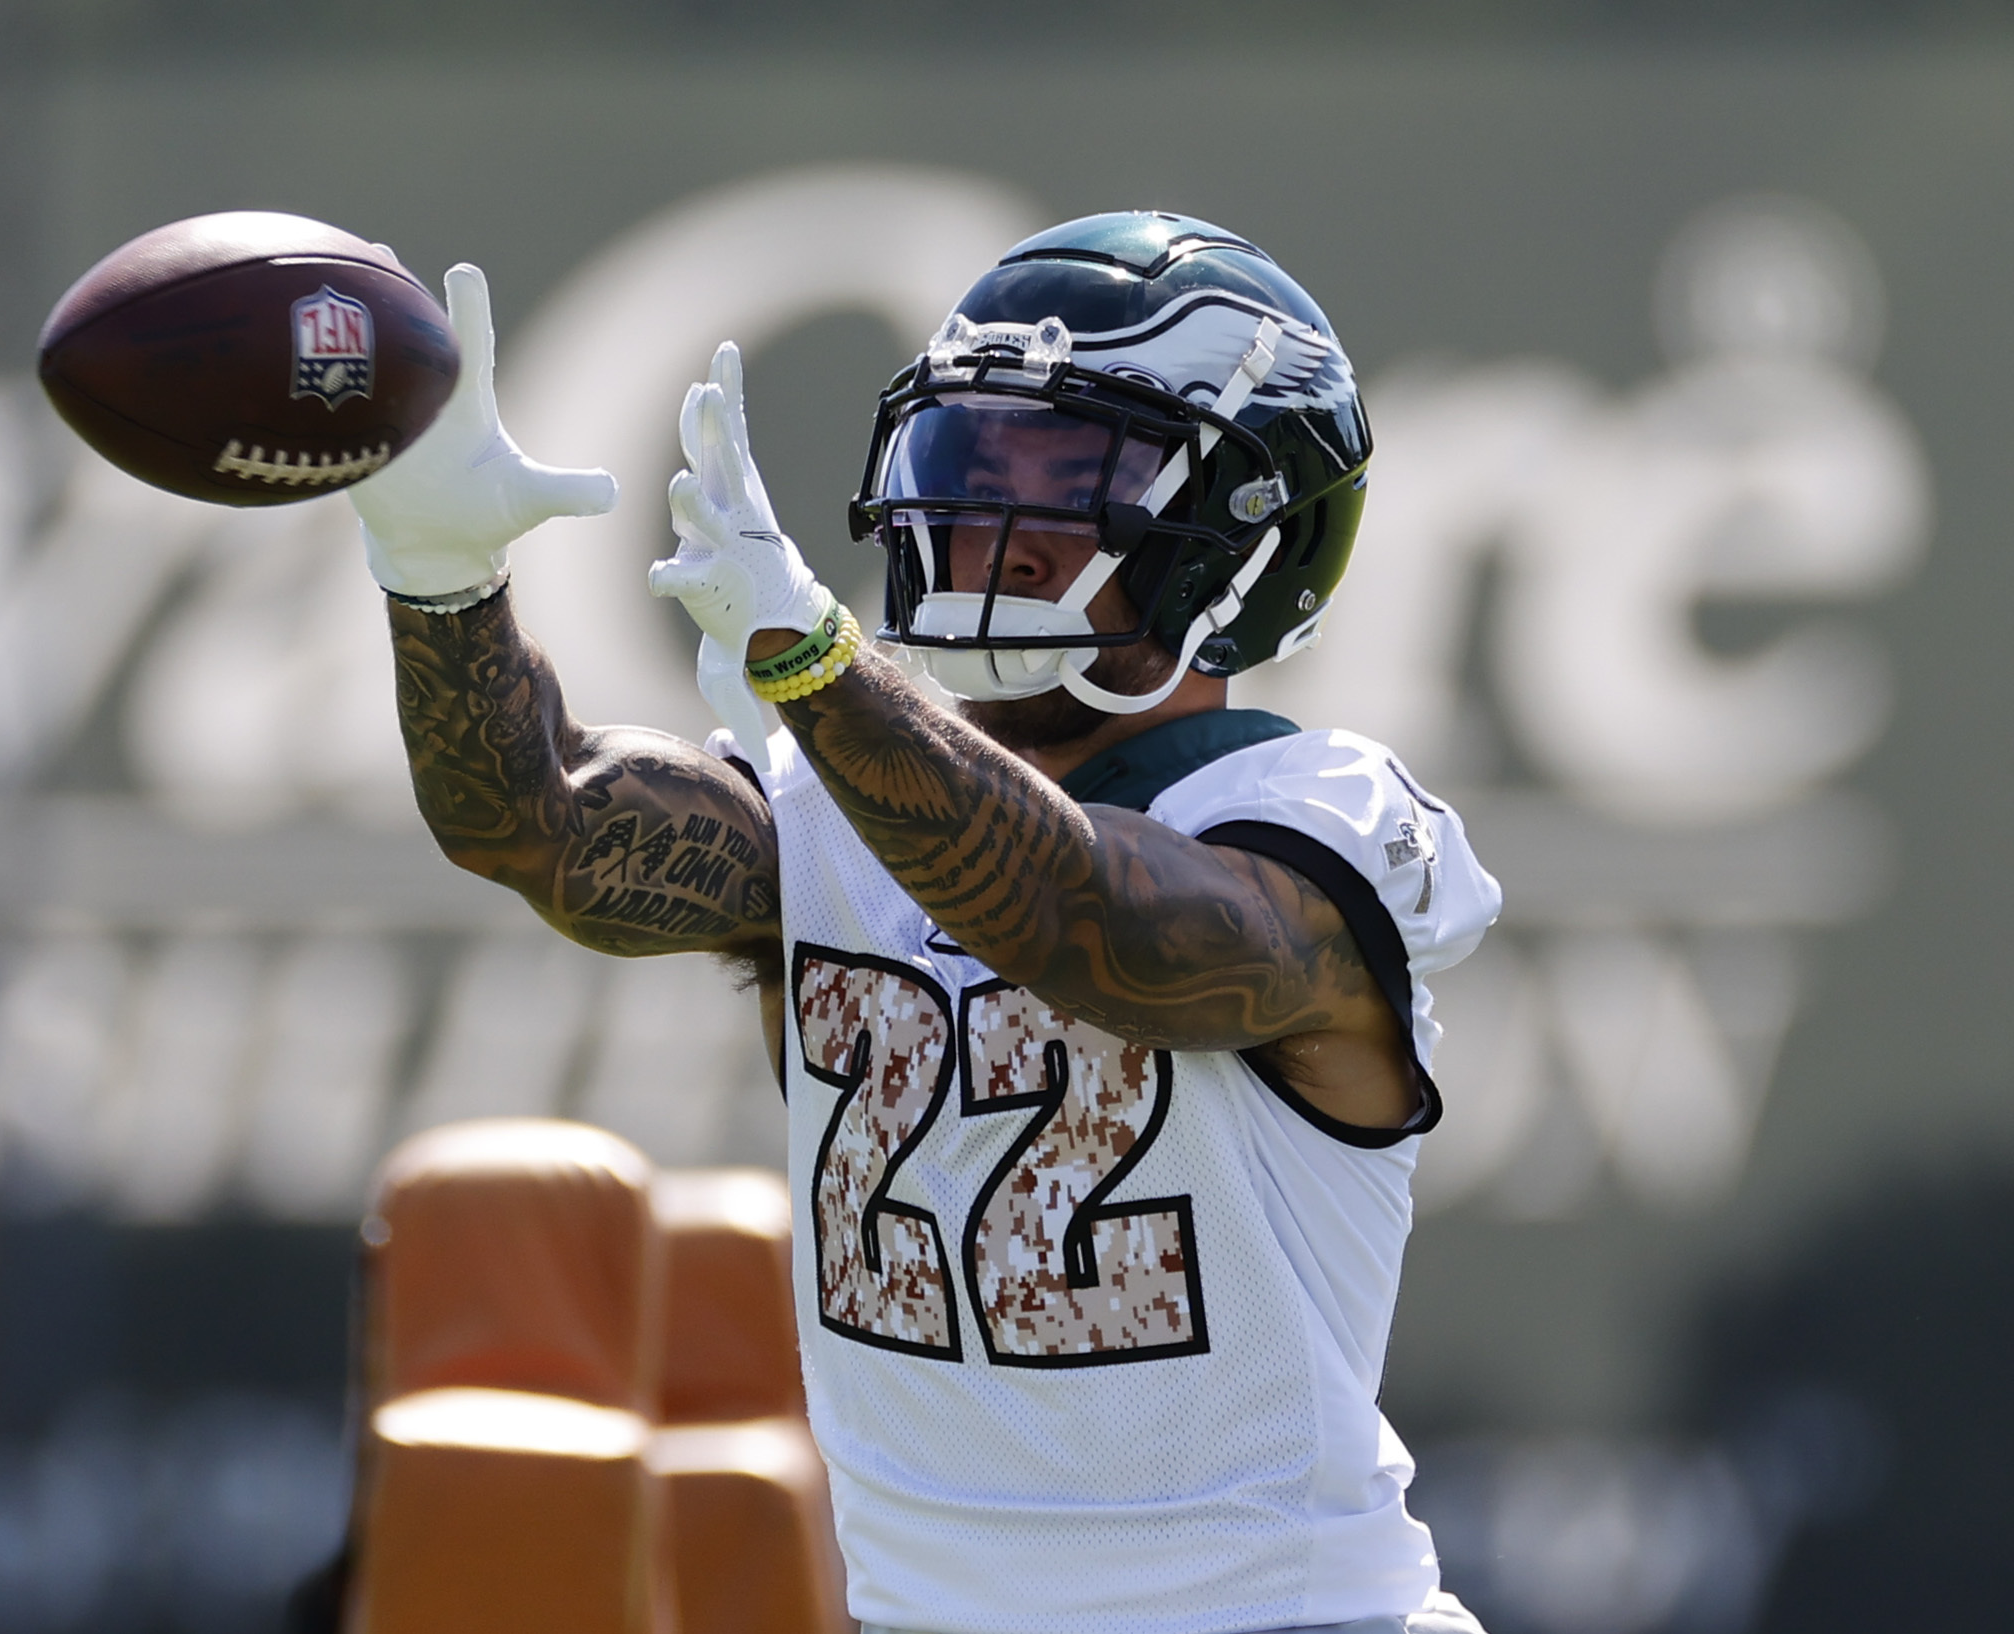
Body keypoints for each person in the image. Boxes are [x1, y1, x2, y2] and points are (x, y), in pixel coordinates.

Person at [352, 211, 1500, 1634]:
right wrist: (441, 583)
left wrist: (818, 668)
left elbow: (1090, 924)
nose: (993, 524)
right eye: (973, 466)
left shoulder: (1321, 822)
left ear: (1246, 537)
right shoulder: (833, 796)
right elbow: (540, 825)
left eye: (1074, 477)